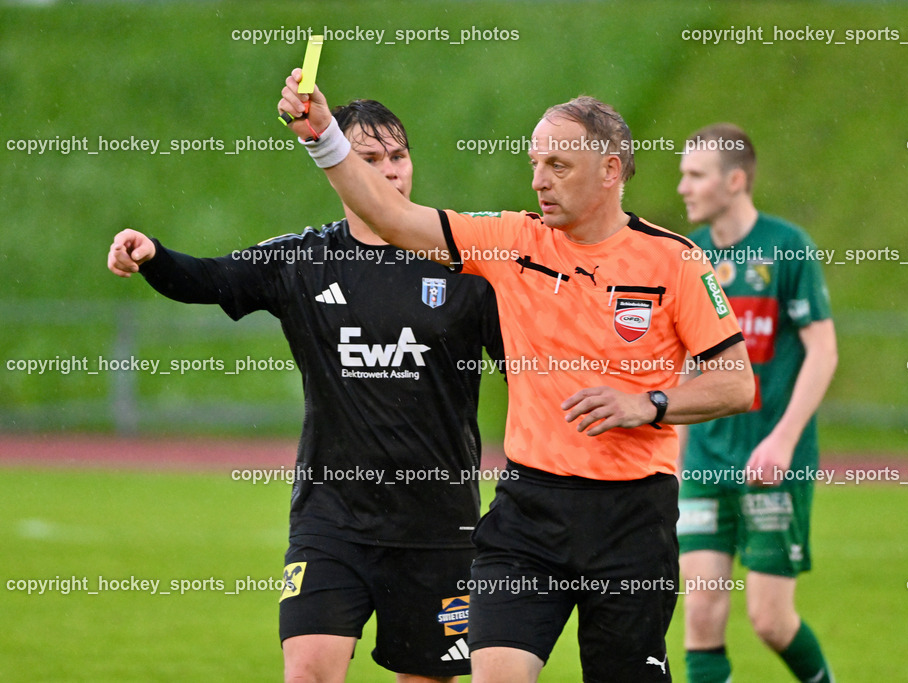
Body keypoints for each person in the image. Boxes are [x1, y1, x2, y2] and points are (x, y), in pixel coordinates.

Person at [278, 73, 755, 683]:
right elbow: (391, 216)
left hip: (631, 520)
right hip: (527, 515)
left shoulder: (675, 260)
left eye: (558, 165)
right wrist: (322, 137)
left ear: (610, 170)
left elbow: (736, 383)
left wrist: (650, 403)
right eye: (535, 163)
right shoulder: (510, 240)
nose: (538, 180)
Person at [107, 100, 505, 683]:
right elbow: (211, 278)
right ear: (339, 164)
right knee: (308, 672)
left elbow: (527, 370)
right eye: (370, 158)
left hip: (439, 526)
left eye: (399, 156)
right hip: (332, 521)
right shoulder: (305, 259)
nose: (391, 170)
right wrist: (154, 257)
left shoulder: (464, 266)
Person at [675, 123, 837, 683]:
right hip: (704, 462)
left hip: (772, 465)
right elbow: (684, 365)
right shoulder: (688, 254)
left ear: (736, 180)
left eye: (695, 175)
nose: (682, 187)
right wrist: (670, 461)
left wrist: (784, 438)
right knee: (699, 612)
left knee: (769, 619)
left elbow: (823, 351)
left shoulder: (787, 247)